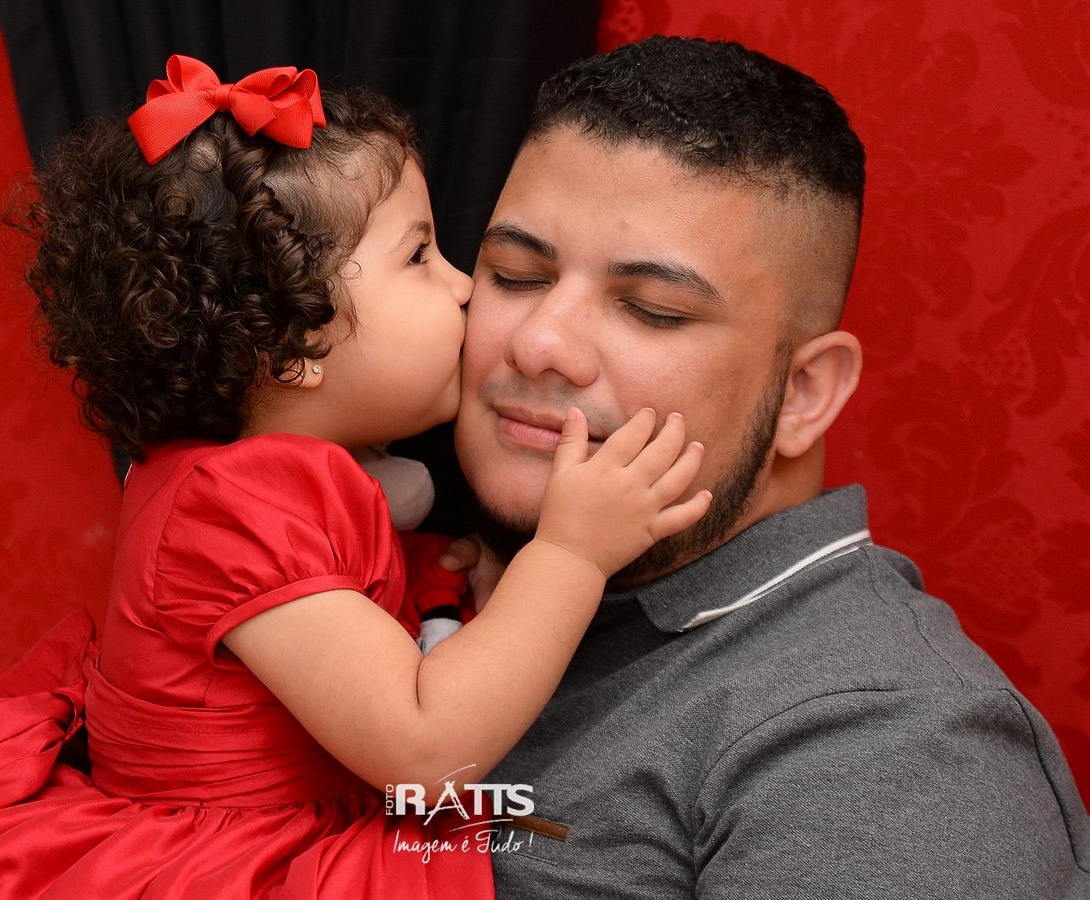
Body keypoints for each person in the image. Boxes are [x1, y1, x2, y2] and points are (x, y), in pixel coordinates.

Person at [0, 55, 714, 898]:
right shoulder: (230, 507)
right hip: (229, 869)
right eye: (419, 256)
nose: (464, 289)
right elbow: (427, 752)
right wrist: (568, 555)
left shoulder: (276, 480)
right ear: (293, 346)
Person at [450, 36, 1090, 899]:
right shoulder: (393, 571)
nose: (540, 343)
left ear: (802, 394)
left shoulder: (882, 747)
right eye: (516, 274)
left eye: (652, 309)